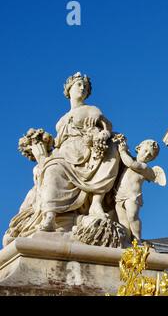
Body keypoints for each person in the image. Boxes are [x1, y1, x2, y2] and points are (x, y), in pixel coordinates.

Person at [35, 72, 121, 231]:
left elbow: (108, 127)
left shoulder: (92, 110)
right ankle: (50, 216)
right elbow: (58, 144)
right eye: (79, 85)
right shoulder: (61, 120)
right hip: (64, 154)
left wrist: (104, 134)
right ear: (69, 89)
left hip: (86, 152)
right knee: (51, 168)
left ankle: (95, 204)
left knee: (52, 166)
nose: (82, 88)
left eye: (85, 87)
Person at [114, 137, 166, 242]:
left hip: (133, 197)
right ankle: (127, 241)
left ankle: (137, 239)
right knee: (123, 221)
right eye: (146, 151)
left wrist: (122, 151)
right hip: (119, 195)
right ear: (138, 148)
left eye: (150, 155)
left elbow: (131, 164)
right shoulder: (129, 158)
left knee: (132, 216)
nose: (147, 155)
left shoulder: (144, 167)